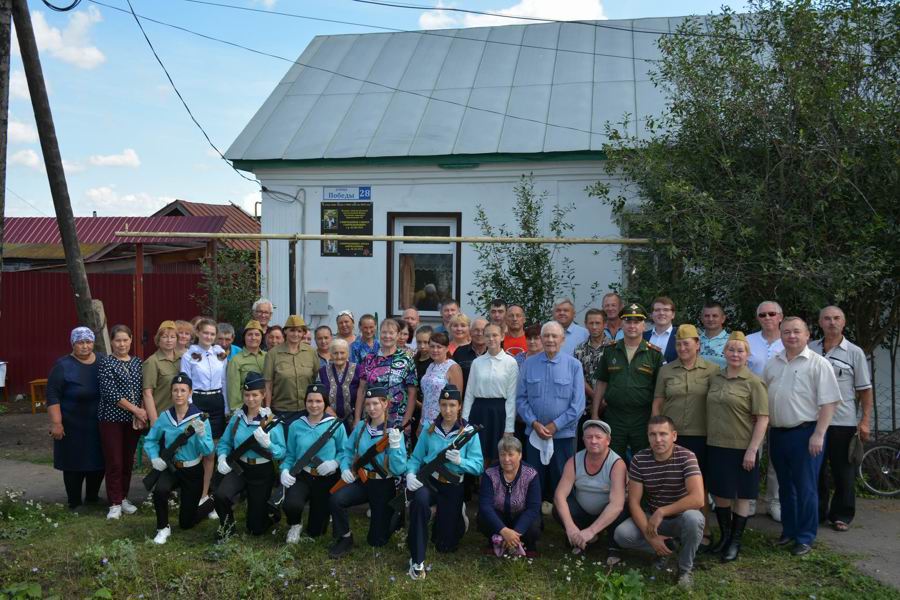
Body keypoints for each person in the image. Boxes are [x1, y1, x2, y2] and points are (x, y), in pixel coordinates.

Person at [764, 317, 840, 556]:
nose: (791, 336)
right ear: (781, 335)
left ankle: (805, 537)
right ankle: (789, 531)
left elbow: (829, 402)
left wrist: (819, 434)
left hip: (806, 433)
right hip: (777, 433)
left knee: (806, 488)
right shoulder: (773, 363)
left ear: (807, 335)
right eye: (786, 332)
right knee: (785, 487)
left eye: (797, 332)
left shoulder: (818, 364)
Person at [613, 416, 705, 589]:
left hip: (680, 518)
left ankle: (685, 570)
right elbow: (633, 502)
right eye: (653, 434)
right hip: (654, 520)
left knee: (695, 519)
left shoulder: (687, 456)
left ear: (674, 436)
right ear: (648, 437)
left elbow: (698, 498)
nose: (658, 439)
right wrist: (651, 537)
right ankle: (665, 549)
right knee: (622, 534)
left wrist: (662, 511)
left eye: (663, 434)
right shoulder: (640, 459)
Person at [405, 385, 485, 580]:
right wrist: (410, 474)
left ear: (459, 406)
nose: (447, 410)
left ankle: (458, 516)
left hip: (453, 486)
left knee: (445, 546)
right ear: (439, 406)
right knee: (420, 502)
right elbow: (416, 458)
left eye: (452, 405)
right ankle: (417, 560)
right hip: (430, 482)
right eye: (443, 405)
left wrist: (461, 461)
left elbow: (479, 466)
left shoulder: (469, 433)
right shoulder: (429, 429)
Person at [651, 324, 718, 548]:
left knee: (701, 484)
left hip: (700, 435)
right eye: (678, 344)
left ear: (697, 345)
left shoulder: (712, 370)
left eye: (686, 343)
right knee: (671, 481)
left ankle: (704, 528)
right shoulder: (667, 370)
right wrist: (655, 430)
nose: (682, 348)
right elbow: (658, 402)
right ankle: (675, 526)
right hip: (672, 437)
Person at [705, 331, 769, 561]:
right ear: (724, 353)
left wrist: (753, 449)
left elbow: (762, 418)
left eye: (740, 350)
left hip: (742, 446)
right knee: (720, 492)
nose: (735, 354)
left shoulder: (754, 382)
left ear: (747, 355)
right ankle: (724, 536)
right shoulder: (715, 378)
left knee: (742, 494)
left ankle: (736, 541)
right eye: (731, 350)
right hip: (716, 443)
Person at [809, 306, 873, 532]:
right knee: (815, 471)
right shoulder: (810, 348)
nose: (831, 322)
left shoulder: (854, 352)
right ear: (820, 322)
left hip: (842, 422)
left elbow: (865, 390)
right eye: (827, 318)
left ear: (843, 323)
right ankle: (816, 513)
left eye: (836, 318)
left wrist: (864, 421)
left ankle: (842, 515)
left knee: (843, 471)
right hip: (813, 420)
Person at [330, 386, 407, 557]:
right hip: (363, 481)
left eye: (375, 404)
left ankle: (395, 516)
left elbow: (399, 469)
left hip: (383, 484)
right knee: (337, 499)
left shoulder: (393, 431)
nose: (371, 408)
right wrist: (344, 468)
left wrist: (395, 447)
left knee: (377, 541)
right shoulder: (361, 428)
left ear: (385, 404)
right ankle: (345, 537)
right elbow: (347, 451)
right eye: (368, 404)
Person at [516, 321, 586, 509]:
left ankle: (566, 524)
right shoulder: (528, 364)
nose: (550, 339)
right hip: (534, 435)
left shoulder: (574, 366)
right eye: (546, 335)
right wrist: (534, 423)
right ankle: (532, 522)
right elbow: (521, 399)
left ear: (562, 340)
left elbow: (578, 405)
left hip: (562, 436)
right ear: (541, 338)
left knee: (562, 480)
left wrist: (555, 425)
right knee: (533, 480)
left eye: (554, 336)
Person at [214, 372, 286, 538]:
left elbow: (282, 451)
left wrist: (268, 444)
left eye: (255, 395)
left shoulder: (272, 421)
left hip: (262, 471)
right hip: (240, 467)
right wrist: (222, 457)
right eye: (247, 395)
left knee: (255, 528)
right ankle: (227, 529)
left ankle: (270, 515)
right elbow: (225, 442)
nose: (250, 399)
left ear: (263, 395)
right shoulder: (237, 418)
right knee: (220, 495)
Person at [144, 373, 213, 544]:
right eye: (175, 390)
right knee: (160, 490)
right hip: (171, 467)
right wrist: (154, 458)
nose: (179, 394)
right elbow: (151, 440)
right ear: (171, 393)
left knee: (186, 523)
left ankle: (211, 502)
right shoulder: (165, 417)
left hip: (192, 470)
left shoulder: (200, 418)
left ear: (190, 393)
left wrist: (202, 434)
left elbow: (208, 449)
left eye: (183, 390)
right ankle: (162, 528)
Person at [592, 303, 663, 458]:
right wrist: (595, 413)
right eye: (628, 321)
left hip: (642, 417)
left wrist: (655, 417)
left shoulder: (654, 354)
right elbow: (602, 382)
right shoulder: (610, 350)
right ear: (621, 325)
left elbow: (660, 390)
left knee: (644, 459)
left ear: (644, 325)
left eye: (637, 322)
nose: (632, 326)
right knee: (612, 459)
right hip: (615, 416)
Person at [46, 327, 105, 510]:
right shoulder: (63, 365)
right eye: (80, 342)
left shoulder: (103, 361)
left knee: (98, 460)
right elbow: (53, 396)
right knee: (73, 462)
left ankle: (93, 496)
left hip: (98, 422)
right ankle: (74, 501)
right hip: (72, 423)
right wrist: (56, 423)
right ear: (73, 344)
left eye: (88, 342)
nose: (85, 346)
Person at [281, 383, 348, 542]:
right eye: (310, 401)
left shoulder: (336, 425)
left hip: (326, 478)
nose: (314, 405)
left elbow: (345, 452)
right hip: (303, 475)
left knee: (316, 532)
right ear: (305, 402)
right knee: (291, 505)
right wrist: (284, 470)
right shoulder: (296, 425)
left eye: (318, 401)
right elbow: (290, 454)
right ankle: (295, 524)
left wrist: (335, 463)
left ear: (325, 403)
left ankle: (323, 515)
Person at [552, 420, 627, 561]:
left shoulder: (617, 464)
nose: (593, 441)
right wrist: (570, 526)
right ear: (583, 440)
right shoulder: (573, 461)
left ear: (608, 440)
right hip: (583, 513)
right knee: (558, 507)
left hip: (607, 514)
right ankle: (582, 536)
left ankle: (613, 546)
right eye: (589, 437)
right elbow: (559, 496)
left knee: (622, 508)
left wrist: (591, 530)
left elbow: (616, 505)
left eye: (598, 437)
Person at [97, 324, 146, 520]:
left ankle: (124, 497)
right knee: (114, 461)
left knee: (127, 460)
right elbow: (110, 393)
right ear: (112, 342)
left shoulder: (137, 362)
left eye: (125, 340)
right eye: (118, 340)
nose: (122, 344)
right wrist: (137, 410)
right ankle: (114, 503)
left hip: (132, 421)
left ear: (131, 340)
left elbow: (143, 389)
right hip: (111, 419)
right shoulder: (107, 363)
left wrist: (140, 412)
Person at [180, 317, 229, 504]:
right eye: (205, 332)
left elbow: (224, 382)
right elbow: (185, 382)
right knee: (196, 448)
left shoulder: (220, 354)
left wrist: (225, 406)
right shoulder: (188, 355)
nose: (209, 336)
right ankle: (191, 492)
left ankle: (205, 494)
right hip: (198, 401)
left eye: (212, 333)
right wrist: (190, 408)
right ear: (198, 333)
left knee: (211, 451)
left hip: (216, 401)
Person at [747, 300, 786, 521]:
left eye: (772, 314)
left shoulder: (789, 339)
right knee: (752, 454)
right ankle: (750, 498)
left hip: (781, 406)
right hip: (753, 408)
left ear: (780, 316)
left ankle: (774, 501)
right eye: (762, 315)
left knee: (777, 457)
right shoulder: (749, 340)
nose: (767, 318)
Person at [462, 324, 519, 465]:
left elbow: (512, 397)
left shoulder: (510, 362)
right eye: (487, 335)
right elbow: (469, 393)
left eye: (494, 335)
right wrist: (464, 421)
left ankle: (495, 486)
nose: (491, 338)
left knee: (498, 455)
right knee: (478, 454)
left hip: (499, 413)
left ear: (502, 337)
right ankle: (479, 485)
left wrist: (509, 427)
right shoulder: (477, 362)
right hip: (479, 412)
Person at [477, 436, 542, 556]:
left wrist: (515, 533)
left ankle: (525, 544)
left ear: (520, 455)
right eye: (502, 454)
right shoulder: (490, 473)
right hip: (499, 516)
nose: (506, 459)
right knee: (483, 518)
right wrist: (504, 530)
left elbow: (533, 507)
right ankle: (495, 542)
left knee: (533, 525)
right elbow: (485, 505)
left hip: (521, 515)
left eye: (511, 454)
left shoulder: (531, 474)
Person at [355, 318, 418, 430]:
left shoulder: (407, 360)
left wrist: (406, 421)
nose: (387, 336)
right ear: (379, 334)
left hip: (398, 420)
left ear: (398, 335)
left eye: (391, 333)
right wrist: (356, 419)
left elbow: (412, 393)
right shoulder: (369, 359)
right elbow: (361, 389)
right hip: (371, 418)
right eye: (384, 332)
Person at [263, 315, 319, 428]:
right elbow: (268, 385)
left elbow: (315, 379)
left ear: (303, 333)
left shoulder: (311, 352)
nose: (296, 334)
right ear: (285, 332)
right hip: (282, 410)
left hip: (307, 410)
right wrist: (267, 409)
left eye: (299, 331)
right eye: (292, 330)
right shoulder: (273, 354)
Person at [574, 308, 613, 448]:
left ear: (605, 324)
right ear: (585, 324)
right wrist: (596, 398)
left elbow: (615, 377)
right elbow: (578, 378)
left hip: (610, 407)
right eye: (591, 323)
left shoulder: (614, 348)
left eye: (598, 323)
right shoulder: (579, 349)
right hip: (587, 408)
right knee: (586, 446)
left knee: (607, 447)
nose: (594, 327)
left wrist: (604, 401)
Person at [420, 332, 464, 432]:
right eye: (432, 346)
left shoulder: (453, 367)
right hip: (426, 420)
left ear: (447, 348)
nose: (435, 350)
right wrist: (421, 421)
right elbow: (426, 397)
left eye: (439, 347)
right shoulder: (430, 366)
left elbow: (457, 399)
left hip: (443, 421)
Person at [142, 320, 183, 425]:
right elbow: (147, 393)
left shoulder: (183, 359)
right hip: (163, 417)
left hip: (181, 416)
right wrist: (154, 421)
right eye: (165, 337)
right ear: (158, 339)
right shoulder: (152, 362)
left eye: (172, 337)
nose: (169, 340)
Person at [226, 319, 267, 411]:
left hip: (267, 407)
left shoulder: (267, 357)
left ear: (261, 337)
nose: (253, 338)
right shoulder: (236, 360)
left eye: (257, 335)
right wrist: (237, 411)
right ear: (244, 337)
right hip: (247, 408)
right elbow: (233, 390)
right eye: (249, 334)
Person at [318, 338, 361, 425]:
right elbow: (319, 396)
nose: (339, 356)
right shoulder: (322, 372)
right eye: (335, 353)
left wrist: (357, 419)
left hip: (354, 421)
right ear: (330, 354)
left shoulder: (358, 370)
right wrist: (333, 416)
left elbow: (362, 396)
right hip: (329, 422)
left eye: (342, 353)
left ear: (348, 354)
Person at [452, 316, 487, 386]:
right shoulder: (459, 353)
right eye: (476, 330)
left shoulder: (493, 354)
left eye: (483, 331)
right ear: (470, 332)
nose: (479, 333)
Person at [644, 297, 677, 364]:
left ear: (673, 315)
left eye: (666, 310)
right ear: (651, 315)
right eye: (657, 310)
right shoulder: (643, 337)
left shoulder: (680, 336)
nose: (661, 313)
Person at [699, 301, 729, 369]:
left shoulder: (732, 341)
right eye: (707, 316)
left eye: (715, 316)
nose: (710, 319)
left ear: (723, 319)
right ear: (701, 319)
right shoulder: (695, 341)